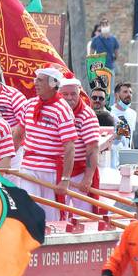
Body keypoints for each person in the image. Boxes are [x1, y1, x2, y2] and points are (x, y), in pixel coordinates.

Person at [15, 66, 76, 221]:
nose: (36, 83)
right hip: (28, 166)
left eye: (40, 80)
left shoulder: (62, 109)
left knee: (51, 216)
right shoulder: (28, 104)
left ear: (52, 84)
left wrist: (65, 179)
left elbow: (69, 147)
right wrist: (8, 158)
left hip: (51, 170)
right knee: (28, 209)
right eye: (36, 80)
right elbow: (18, 134)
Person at [59, 72, 101, 207]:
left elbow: (93, 149)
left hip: (80, 174)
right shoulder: (56, 111)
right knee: (58, 214)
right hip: (59, 172)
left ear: (79, 94)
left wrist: (87, 179)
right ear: (59, 94)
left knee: (84, 217)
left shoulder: (87, 115)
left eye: (73, 94)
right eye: (65, 94)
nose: (69, 98)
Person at [111, 81, 137, 166]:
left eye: (130, 92)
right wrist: (119, 134)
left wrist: (134, 158)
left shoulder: (133, 113)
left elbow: (130, 138)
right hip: (113, 160)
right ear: (116, 95)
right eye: (125, 92)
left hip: (127, 160)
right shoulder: (109, 112)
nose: (128, 94)